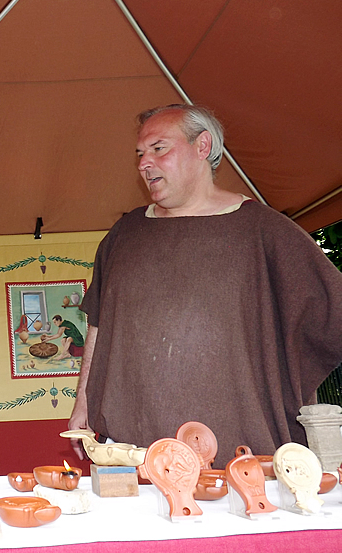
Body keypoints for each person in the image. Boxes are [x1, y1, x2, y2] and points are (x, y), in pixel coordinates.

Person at [68, 104, 342, 467]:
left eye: (159, 148)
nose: (144, 163)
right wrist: (83, 403)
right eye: (140, 153)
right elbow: (98, 324)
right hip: (133, 451)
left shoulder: (263, 231)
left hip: (241, 452)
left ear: (203, 146)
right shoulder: (125, 235)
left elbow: (330, 312)